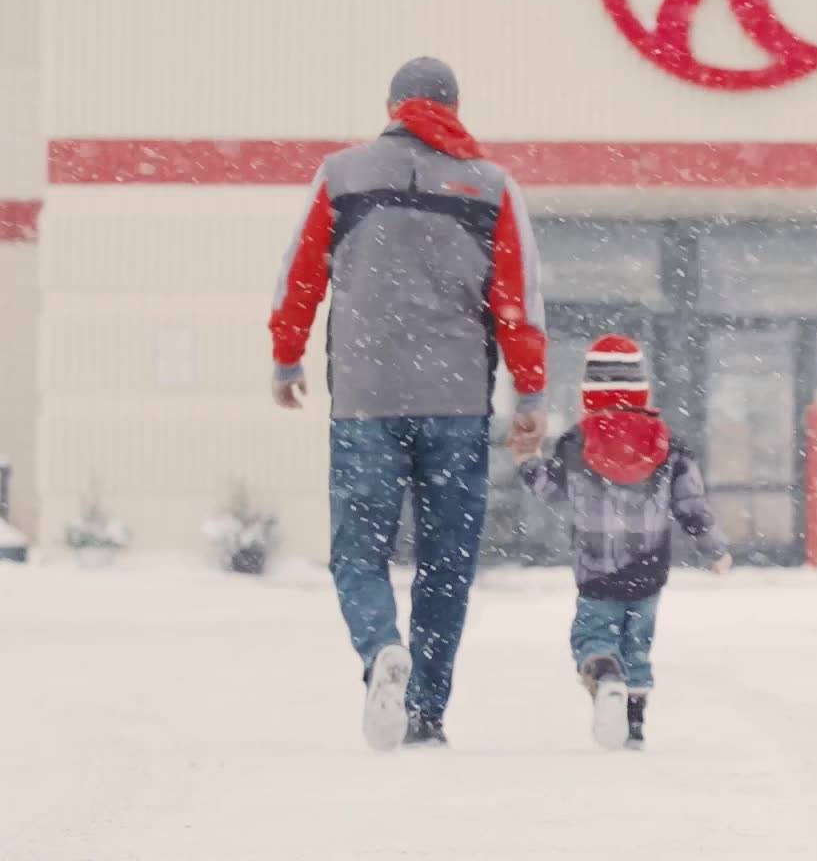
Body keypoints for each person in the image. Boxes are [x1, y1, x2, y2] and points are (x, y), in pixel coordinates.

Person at [268, 57, 548, 750]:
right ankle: (425, 710)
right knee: (446, 562)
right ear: (455, 106)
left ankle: (379, 651)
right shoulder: (491, 186)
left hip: (366, 399)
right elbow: (518, 299)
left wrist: (286, 354)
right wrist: (531, 392)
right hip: (455, 402)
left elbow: (301, 274)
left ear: (392, 104)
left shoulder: (342, 174)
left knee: (360, 554)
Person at [512, 335, 731, 751]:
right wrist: (713, 548)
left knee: (593, 637)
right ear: (641, 387)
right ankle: (633, 723)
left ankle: (603, 672)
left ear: (589, 392)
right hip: (649, 571)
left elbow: (551, 490)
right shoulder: (669, 444)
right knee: (638, 644)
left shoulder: (577, 442)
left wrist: (526, 461)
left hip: (596, 570)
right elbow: (691, 505)